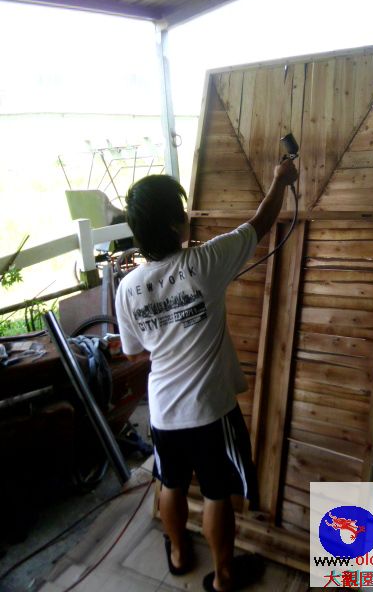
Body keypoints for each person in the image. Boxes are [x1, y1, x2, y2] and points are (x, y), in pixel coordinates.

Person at [115, 157, 298, 592]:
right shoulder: (205, 263)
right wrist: (280, 180)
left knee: (171, 483)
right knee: (217, 492)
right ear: (175, 224)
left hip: (163, 413)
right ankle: (225, 578)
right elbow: (260, 223)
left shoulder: (127, 288)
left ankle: (179, 554)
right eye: (181, 213)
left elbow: (133, 350)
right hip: (211, 412)